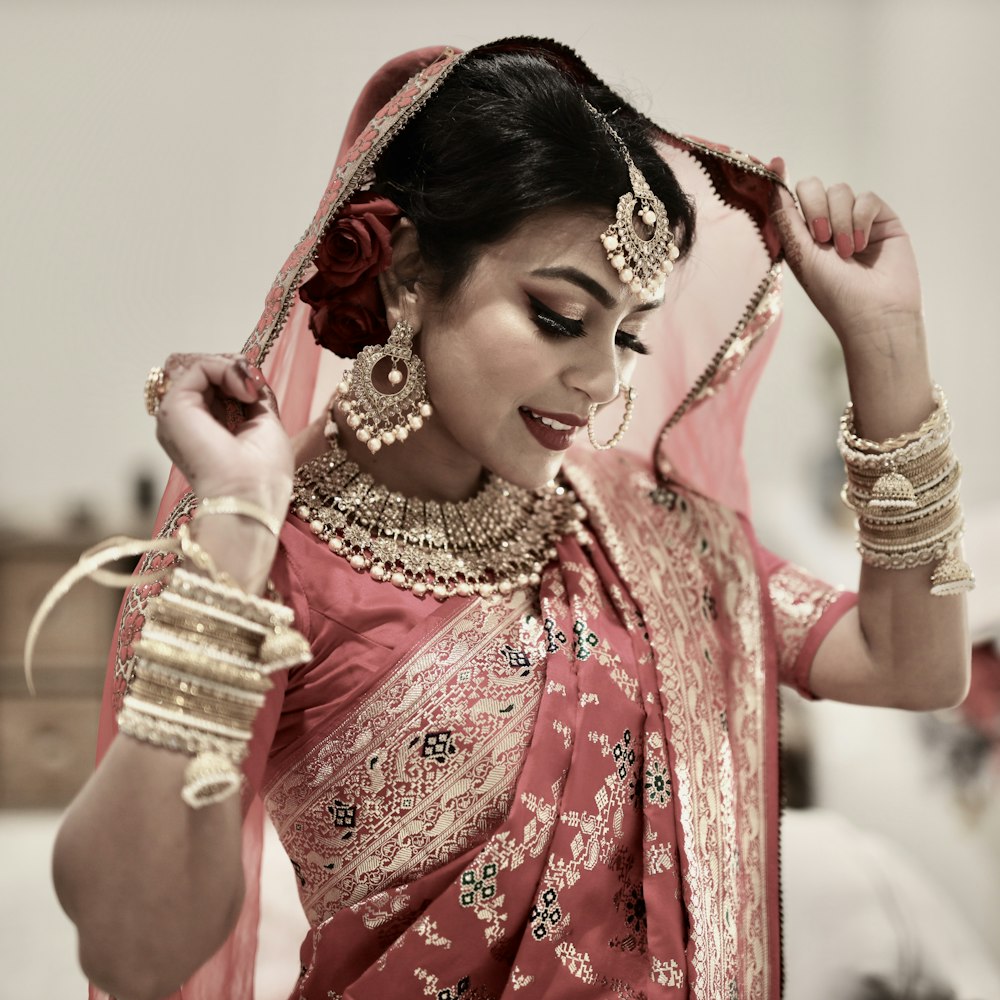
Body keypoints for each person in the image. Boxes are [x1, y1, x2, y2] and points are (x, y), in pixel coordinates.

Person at [47, 37, 973, 1000]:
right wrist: (236, 525)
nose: (603, 377)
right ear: (405, 266)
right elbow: (133, 953)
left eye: (627, 334)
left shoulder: (631, 525)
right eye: (560, 317)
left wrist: (887, 345)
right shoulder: (260, 563)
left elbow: (912, 664)